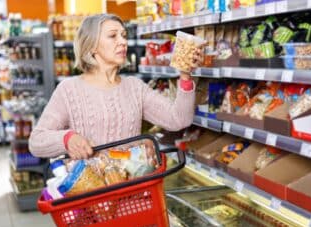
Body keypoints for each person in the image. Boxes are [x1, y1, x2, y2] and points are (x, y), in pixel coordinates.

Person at [29, 14, 203, 160]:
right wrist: (67, 139)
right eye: (113, 36)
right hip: (91, 193)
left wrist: (185, 75)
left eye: (124, 35)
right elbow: (36, 142)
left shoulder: (135, 87)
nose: (123, 42)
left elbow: (178, 119)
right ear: (91, 45)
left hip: (133, 192)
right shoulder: (69, 90)